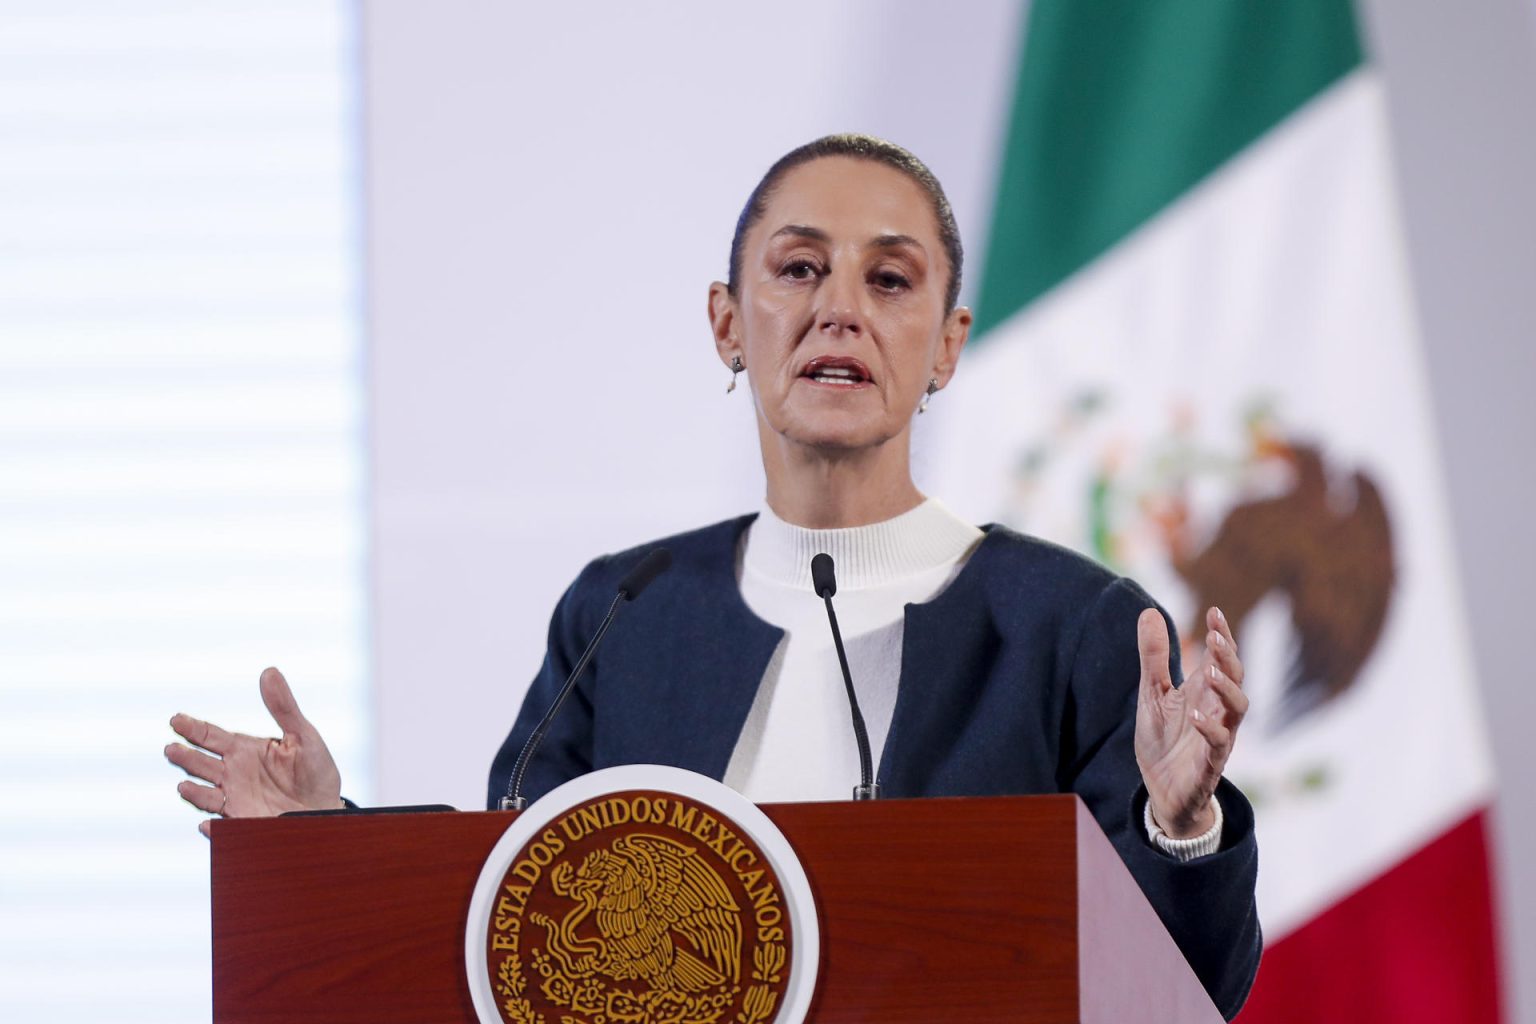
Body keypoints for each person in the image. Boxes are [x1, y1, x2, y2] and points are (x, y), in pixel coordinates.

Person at [166, 134, 1260, 1018]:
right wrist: (324, 839)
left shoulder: (1075, 628)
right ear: (728, 323)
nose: (841, 308)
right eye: (798, 269)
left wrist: (1179, 828)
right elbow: (516, 915)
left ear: (947, 345)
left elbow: (1187, 990)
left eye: (890, 278)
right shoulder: (626, 614)